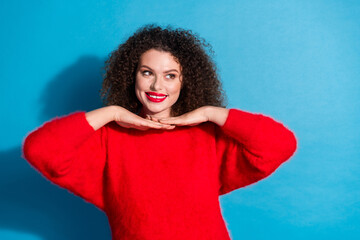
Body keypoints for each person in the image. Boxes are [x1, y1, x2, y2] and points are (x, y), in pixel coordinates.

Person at [22, 24, 297, 240]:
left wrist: (209, 112)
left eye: (170, 75)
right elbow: (39, 150)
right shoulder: (109, 137)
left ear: (185, 81)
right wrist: (112, 113)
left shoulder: (207, 134)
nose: (156, 86)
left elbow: (280, 145)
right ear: (132, 76)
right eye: (146, 72)